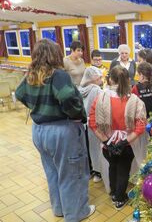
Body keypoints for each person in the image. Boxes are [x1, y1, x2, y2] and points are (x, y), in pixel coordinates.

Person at [15, 39, 95, 221]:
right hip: (61, 130)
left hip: (39, 131)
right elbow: (67, 98)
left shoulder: (32, 74)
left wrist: (38, 107)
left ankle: (59, 209)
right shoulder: (58, 74)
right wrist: (77, 115)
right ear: (55, 54)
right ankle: (76, 213)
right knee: (71, 173)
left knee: (52, 172)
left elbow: (19, 94)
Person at [89, 66, 148, 210]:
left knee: (112, 166)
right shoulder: (135, 100)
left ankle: (114, 193)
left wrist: (105, 141)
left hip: (107, 141)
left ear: (110, 79)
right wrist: (124, 142)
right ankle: (120, 199)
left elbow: (92, 122)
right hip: (127, 144)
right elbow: (141, 126)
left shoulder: (100, 97)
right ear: (128, 80)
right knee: (123, 169)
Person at [78, 66, 104, 183]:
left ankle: (89, 170)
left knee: (86, 147)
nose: (101, 80)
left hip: (83, 123)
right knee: (96, 148)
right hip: (94, 123)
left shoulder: (80, 89)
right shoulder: (96, 90)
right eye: (99, 77)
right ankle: (98, 171)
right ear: (94, 78)